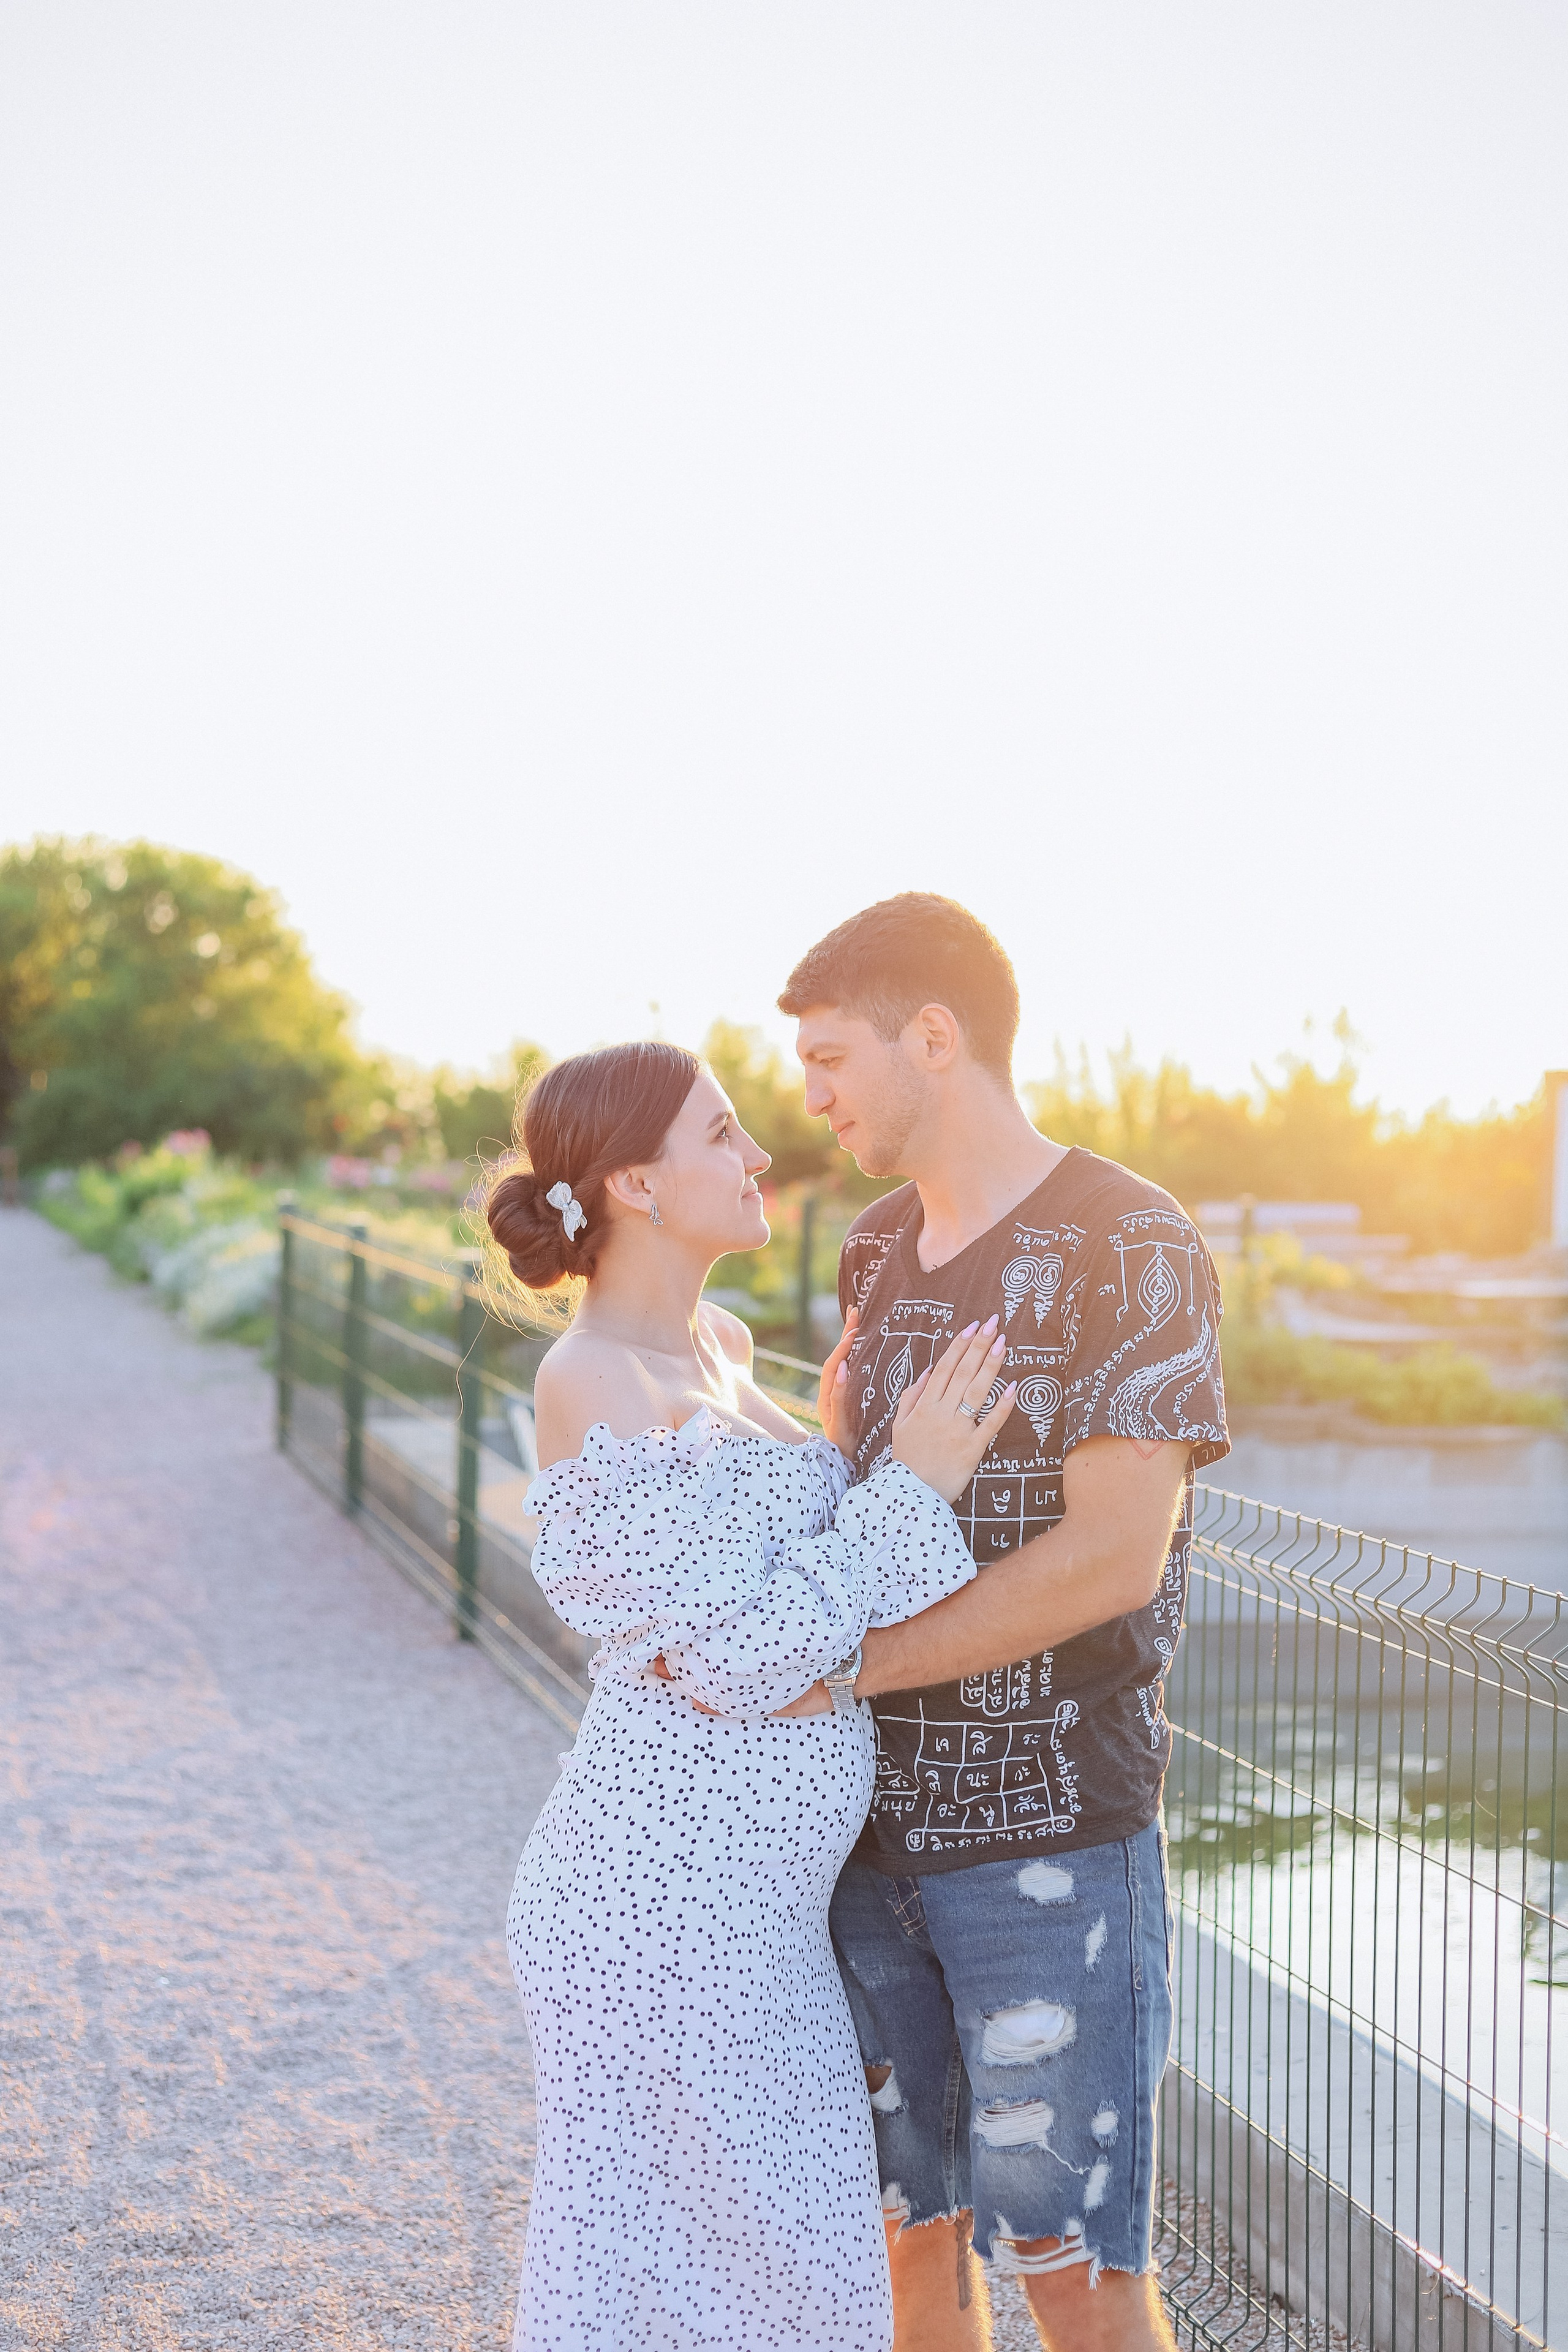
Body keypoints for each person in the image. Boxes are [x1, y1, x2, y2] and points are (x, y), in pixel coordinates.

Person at [488, 1038, 1038, 2352]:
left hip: (750, 1911)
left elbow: (781, 1609)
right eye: (721, 1134)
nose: (756, 1156)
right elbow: (735, 1658)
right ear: (631, 1180)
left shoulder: (721, 1343)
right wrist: (908, 1483)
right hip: (653, 1909)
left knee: (771, 2260)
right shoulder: (589, 1380)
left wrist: (853, 1450)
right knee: (704, 2264)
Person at [775, 894, 1231, 2352]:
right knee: (909, 2248)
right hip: (856, 1839)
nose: (812, 1097)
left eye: (833, 1057)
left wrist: (849, 1672)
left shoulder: (1129, 1242)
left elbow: (1109, 1559)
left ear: (933, 1036)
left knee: (1075, 2277)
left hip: (1047, 1846)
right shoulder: (869, 1251)